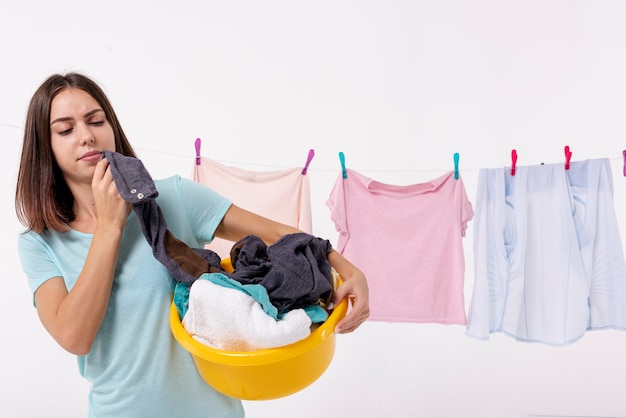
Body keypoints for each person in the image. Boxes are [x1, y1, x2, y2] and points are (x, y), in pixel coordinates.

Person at [15, 72, 370, 418]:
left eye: (96, 122)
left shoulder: (174, 197)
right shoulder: (40, 243)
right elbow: (75, 338)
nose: (86, 137)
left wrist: (350, 270)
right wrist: (109, 226)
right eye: (65, 129)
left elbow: (283, 236)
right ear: (45, 147)